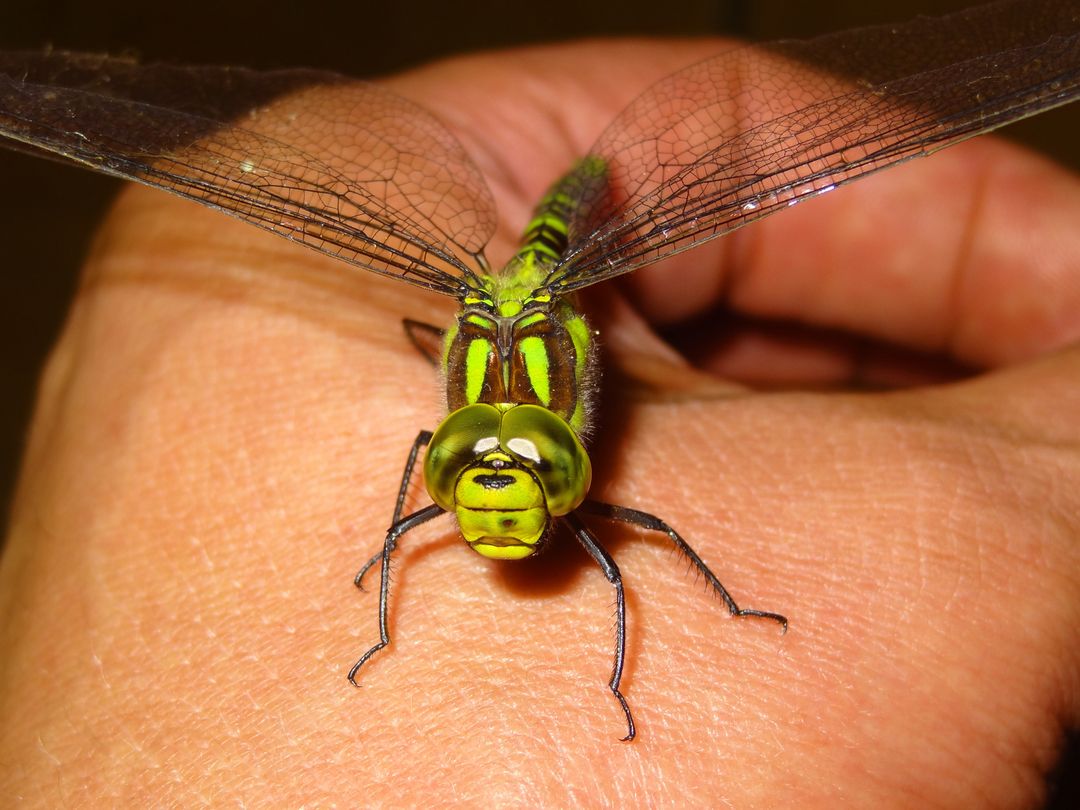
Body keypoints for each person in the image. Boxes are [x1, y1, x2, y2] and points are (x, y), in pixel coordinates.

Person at [1, 40, 1078, 806]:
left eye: (531, 466)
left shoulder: (566, 413)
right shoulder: (454, 451)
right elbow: (431, 451)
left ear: (573, 439)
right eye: (477, 470)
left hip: (581, 214)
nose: (496, 494)